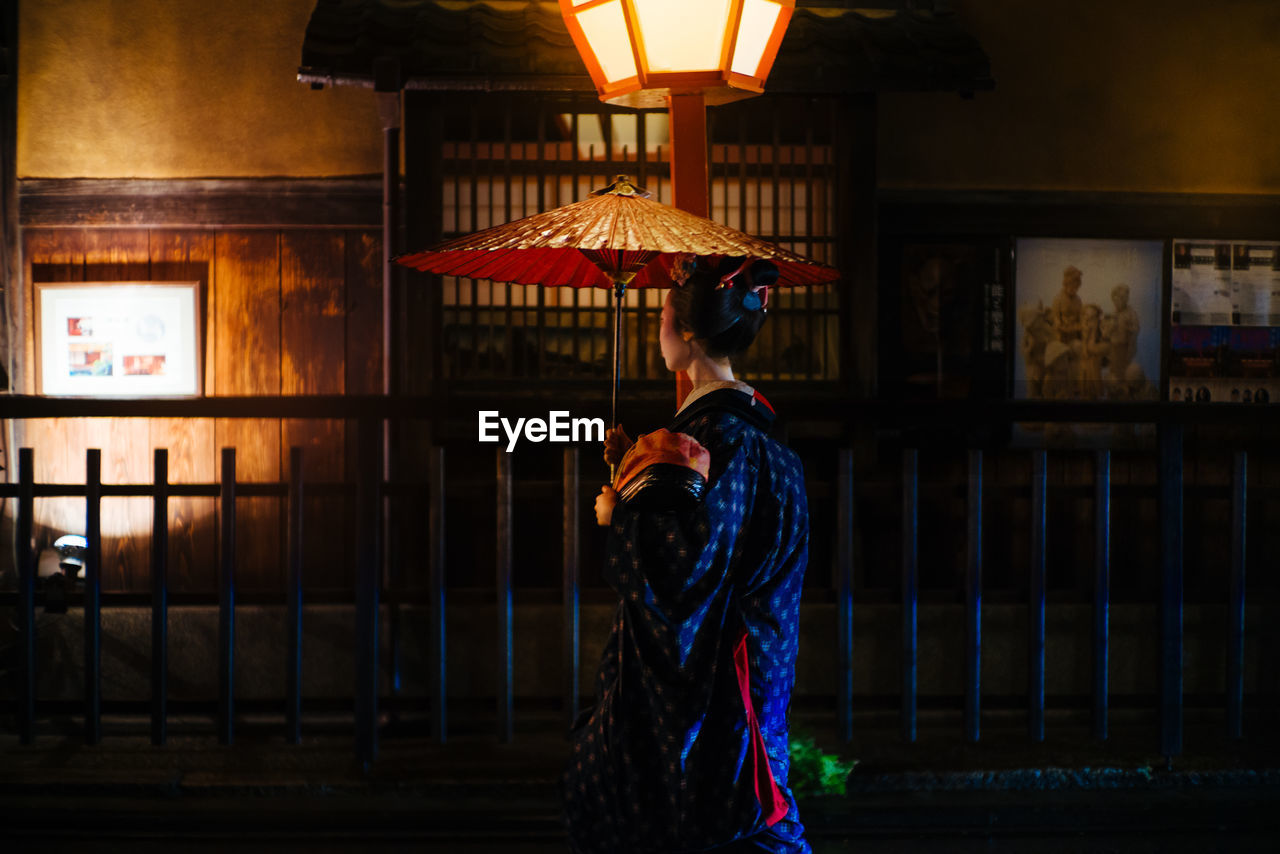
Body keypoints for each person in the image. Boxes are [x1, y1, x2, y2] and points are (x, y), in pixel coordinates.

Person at [564, 256, 812, 853]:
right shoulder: (754, 433)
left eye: (663, 315)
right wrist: (632, 469)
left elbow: (686, 569)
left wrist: (616, 514)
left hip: (721, 668)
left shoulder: (717, 438)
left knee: (718, 807)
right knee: (744, 798)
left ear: (689, 333)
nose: (659, 328)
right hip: (759, 652)